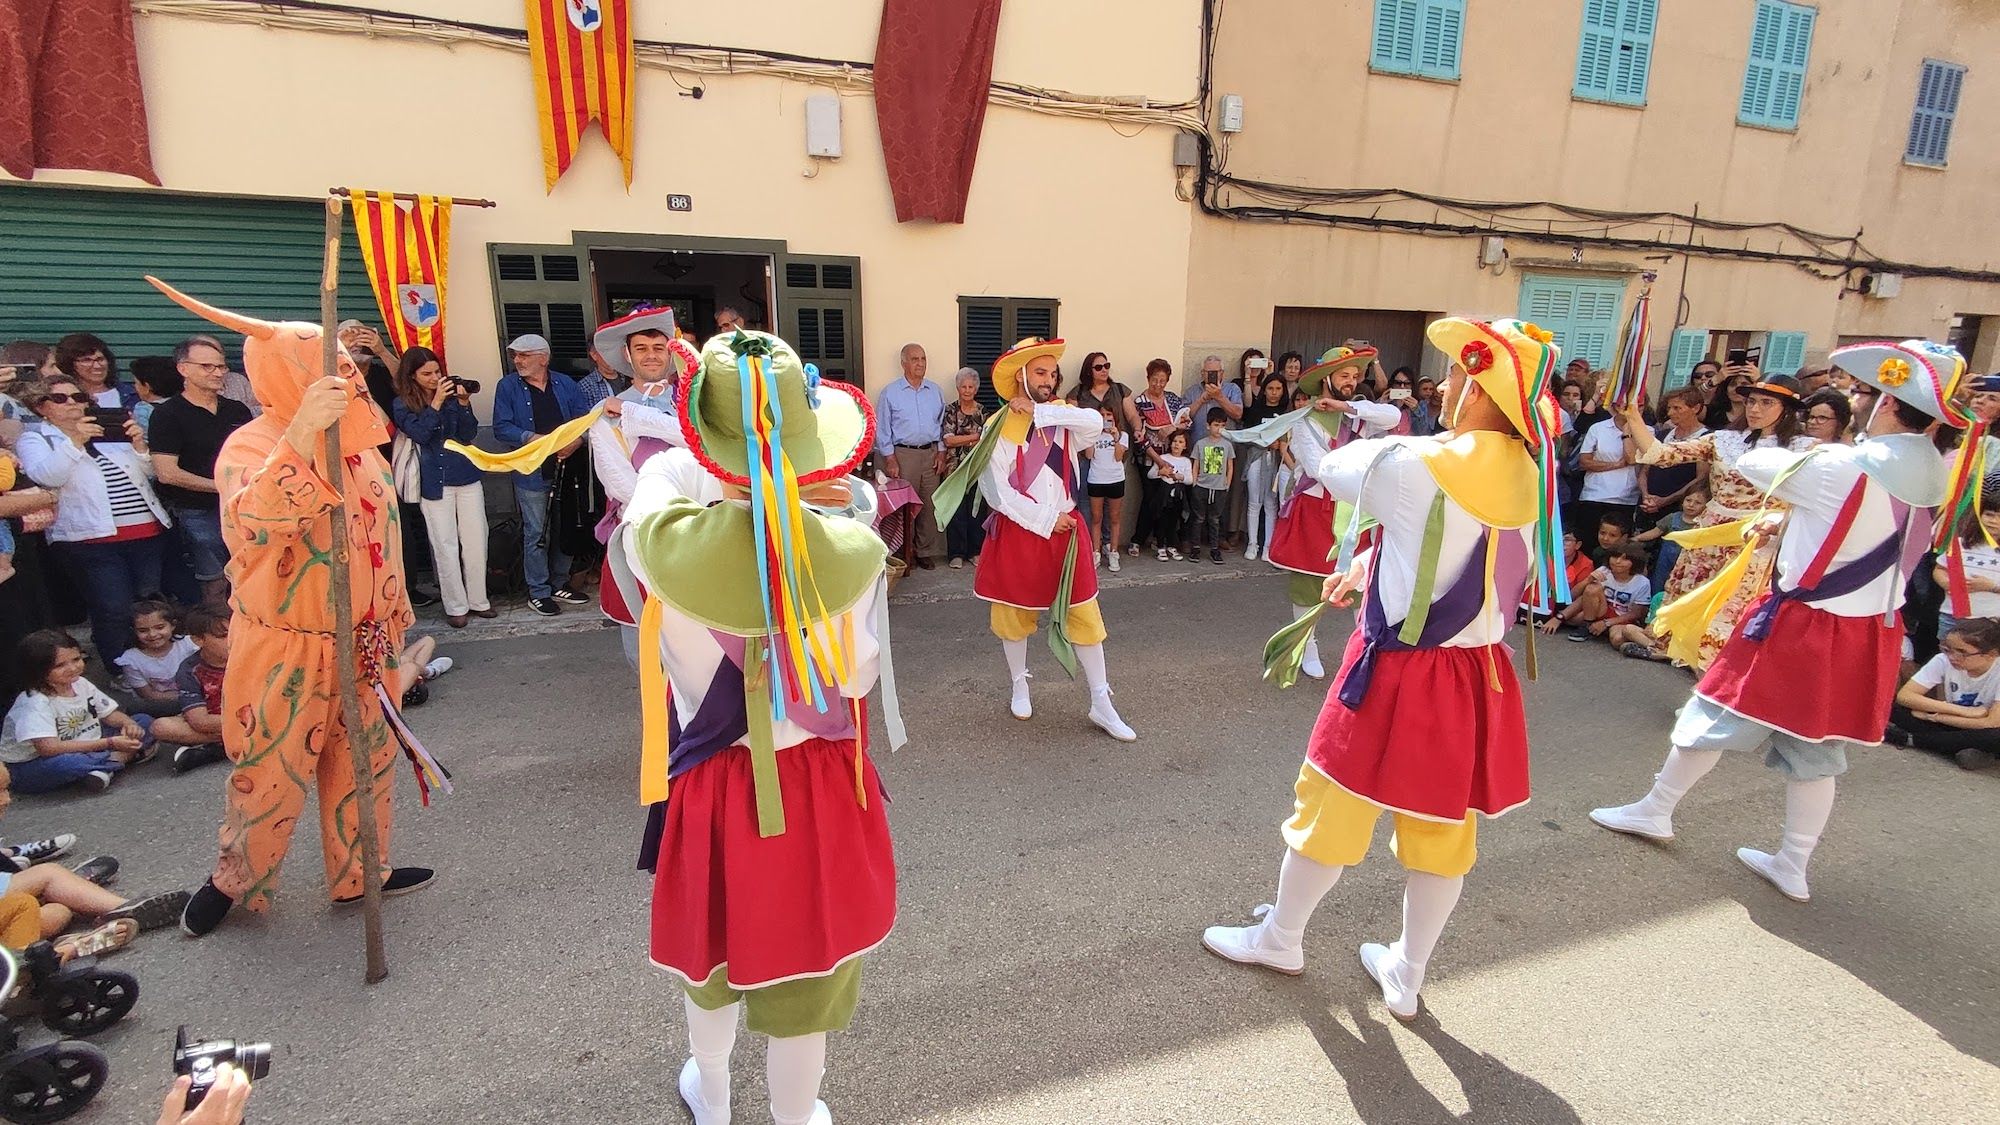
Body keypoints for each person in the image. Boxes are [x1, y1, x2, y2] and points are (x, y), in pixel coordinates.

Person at [1202, 317, 1567, 1021]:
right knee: (1442, 829)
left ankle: (1282, 937)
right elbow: (1475, 554)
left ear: (1481, 388)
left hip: (1399, 671)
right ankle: (1408, 971)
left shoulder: (1413, 464)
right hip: (1476, 676)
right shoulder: (1533, 470)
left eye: (1461, 376)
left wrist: (1313, 417)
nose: (1450, 387)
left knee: (1330, 804)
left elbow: (1330, 469)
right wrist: (1373, 564)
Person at [620, 330, 898, 1125]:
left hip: (711, 785)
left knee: (712, 962)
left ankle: (712, 1098)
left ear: (706, 447)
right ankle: (792, 1115)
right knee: (806, 979)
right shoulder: (849, 552)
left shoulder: (660, 545)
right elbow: (857, 675)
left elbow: (655, 493)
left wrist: (702, 456)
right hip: (814, 784)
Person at [1592, 340, 1964, 903]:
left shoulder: (1839, 465)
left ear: (1887, 405)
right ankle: (1793, 861)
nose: (1858, 400)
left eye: (1865, 393)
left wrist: (1807, 447)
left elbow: (1753, 461)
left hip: (1805, 621)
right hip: (1867, 628)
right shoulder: (1935, 472)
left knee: (1708, 713)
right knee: (1817, 750)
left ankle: (1655, 810)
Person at [139, 277, 434, 937]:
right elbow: (255, 524)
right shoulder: (249, 446)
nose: (345, 380)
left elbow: (382, 544)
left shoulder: (364, 453)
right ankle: (232, 880)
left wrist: (391, 618)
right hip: (288, 643)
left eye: (345, 368)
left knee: (367, 761)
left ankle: (364, 871)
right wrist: (301, 436)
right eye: (324, 369)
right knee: (269, 767)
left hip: (360, 638)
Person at [940, 338, 1135, 741]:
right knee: (1014, 618)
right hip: (1023, 532)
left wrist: (1041, 411)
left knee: (1085, 614)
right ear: (1021, 376)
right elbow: (998, 494)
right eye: (1040, 373)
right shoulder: (996, 426)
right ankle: (1019, 683)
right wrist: (1048, 519)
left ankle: (1102, 701)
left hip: (1067, 533)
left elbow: (1096, 425)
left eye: (1052, 374)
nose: (1048, 380)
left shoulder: (1063, 414)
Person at [1621, 370, 1816, 669]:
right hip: (1709, 537)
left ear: (1787, 409)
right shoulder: (1725, 439)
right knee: (1696, 616)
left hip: (1756, 541)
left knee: (1734, 617)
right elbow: (1661, 454)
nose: (1754, 409)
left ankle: (1719, 694)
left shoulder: (1805, 449)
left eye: (1766, 403)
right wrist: (1633, 416)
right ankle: (1703, 693)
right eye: (1752, 401)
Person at [1266, 347, 1404, 679]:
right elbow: (1320, 469)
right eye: (1344, 375)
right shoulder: (1305, 423)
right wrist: (1365, 462)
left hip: (1354, 508)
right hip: (1315, 509)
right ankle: (1306, 647)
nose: (1351, 381)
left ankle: (1363, 649)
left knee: (1360, 584)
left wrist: (1346, 406)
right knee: (1307, 584)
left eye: (1355, 376)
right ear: (1326, 379)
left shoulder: (1359, 414)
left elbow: (1394, 417)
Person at [16, 377, 171, 666]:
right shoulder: (36, 438)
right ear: (41, 407)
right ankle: (119, 667)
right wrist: (75, 442)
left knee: (149, 604)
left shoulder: (108, 428)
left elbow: (149, 473)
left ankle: (154, 667)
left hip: (145, 531)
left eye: (78, 397)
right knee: (112, 607)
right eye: (61, 398)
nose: (73, 402)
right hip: (88, 539)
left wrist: (138, 444)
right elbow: (47, 477)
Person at [390, 348, 493, 628]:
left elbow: (467, 433)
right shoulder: (402, 403)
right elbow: (421, 434)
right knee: (444, 544)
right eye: (427, 374)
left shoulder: (448, 396)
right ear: (412, 376)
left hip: (466, 473)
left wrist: (462, 404)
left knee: (476, 541)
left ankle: (478, 601)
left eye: (437, 372)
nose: (435, 378)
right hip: (434, 480)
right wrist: (436, 404)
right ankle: (456, 606)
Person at [149, 335, 255, 605]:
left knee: (251, 576)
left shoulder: (237, 410)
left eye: (221, 367)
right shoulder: (167, 414)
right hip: (198, 512)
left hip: (243, 508)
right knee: (214, 583)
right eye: (207, 367)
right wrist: (222, 486)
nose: (218, 373)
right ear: (183, 369)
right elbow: (166, 472)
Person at [492, 333, 592, 615]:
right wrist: (532, 438)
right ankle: (538, 591)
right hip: (533, 470)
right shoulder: (508, 386)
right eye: (515, 355)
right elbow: (501, 427)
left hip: (566, 467)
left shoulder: (565, 383)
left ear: (543, 359)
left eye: (524, 355)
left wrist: (577, 441)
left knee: (565, 526)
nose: (517, 361)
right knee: (537, 531)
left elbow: (584, 419)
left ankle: (559, 582)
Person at [1, 629, 152, 793]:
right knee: (67, 764)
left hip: (84, 741)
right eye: (60, 665)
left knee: (144, 722)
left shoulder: (80, 683)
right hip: (34, 762)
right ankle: (123, 757)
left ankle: (104, 767)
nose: (73, 668)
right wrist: (110, 743)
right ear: (38, 670)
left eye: (76, 659)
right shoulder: (35, 702)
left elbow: (108, 714)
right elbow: (48, 748)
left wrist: (128, 724)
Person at [1888, 617, 2000, 770]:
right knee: (1893, 708)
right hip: (1958, 721)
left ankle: (1911, 739)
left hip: (1981, 728)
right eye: (1948, 650)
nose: (1953, 657)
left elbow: (1992, 722)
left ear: (1991, 654)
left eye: (1962, 652)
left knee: (1994, 736)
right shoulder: (1943, 660)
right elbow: (1905, 696)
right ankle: (1963, 749)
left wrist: (1933, 716)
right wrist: (1965, 711)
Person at [874, 343, 947, 571]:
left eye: (923, 359)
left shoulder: (934, 391)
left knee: (928, 504)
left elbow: (942, 424)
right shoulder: (891, 392)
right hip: (903, 454)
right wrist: (890, 459)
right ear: (903, 363)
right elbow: (882, 428)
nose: (920, 363)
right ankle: (905, 552)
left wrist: (942, 452)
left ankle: (924, 551)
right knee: (905, 508)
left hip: (930, 454)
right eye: (915, 359)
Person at [147, 604, 231, 773]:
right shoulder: (189, 670)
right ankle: (234, 745)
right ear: (198, 640)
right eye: (223, 636)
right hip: (230, 721)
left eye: (236, 632)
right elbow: (200, 721)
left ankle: (217, 749)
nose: (233, 639)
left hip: (258, 715)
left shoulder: (253, 655)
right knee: (160, 727)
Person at [1130, 359, 1190, 555]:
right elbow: (1139, 435)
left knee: (1167, 502)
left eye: (1162, 380)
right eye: (1154, 380)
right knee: (1150, 499)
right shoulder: (1140, 402)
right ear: (1148, 379)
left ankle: (1160, 539)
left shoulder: (1172, 399)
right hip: (1149, 458)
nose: (1158, 384)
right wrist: (1159, 461)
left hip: (1172, 456)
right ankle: (1138, 539)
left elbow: (1186, 421)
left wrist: (1173, 427)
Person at [1539, 544, 1650, 642]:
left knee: (1617, 639)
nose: (1618, 561)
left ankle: (1600, 628)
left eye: (1625, 559)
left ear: (1635, 562)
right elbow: (1573, 596)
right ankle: (1587, 626)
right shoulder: (1604, 571)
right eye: (1615, 556)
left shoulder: (1642, 582)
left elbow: (1636, 614)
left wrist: (1607, 623)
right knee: (1591, 589)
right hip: (1598, 611)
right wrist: (1587, 580)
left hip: (1622, 618)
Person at [1637, 387, 1709, 527]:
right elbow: (1645, 470)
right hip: (1648, 506)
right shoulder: (1662, 435)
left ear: (1695, 408)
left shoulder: (1706, 439)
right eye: (1669, 408)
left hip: (1679, 511)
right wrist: (1646, 495)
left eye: (1677, 408)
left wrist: (1666, 500)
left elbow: (1701, 478)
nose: (1670, 413)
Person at [1572, 408, 1640, 553]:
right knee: (1587, 546)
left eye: (1640, 405)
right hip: (1594, 497)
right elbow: (1584, 462)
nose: (1635, 409)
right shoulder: (1597, 428)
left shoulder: (1647, 432)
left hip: (1625, 500)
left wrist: (1627, 433)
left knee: (1617, 552)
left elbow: (1631, 458)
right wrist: (1616, 465)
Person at [1239, 374, 1291, 561]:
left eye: (1278, 389)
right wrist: (1265, 443)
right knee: (1254, 502)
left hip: (1277, 462)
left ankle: (1269, 546)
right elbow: (1247, 436)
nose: (1274, 393)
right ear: (1264, 390)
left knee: (1271, 503)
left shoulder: (1287, 412)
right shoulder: (1255, 410)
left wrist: (1279, 445)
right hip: (1256, 458)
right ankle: (1252, 543)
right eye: (1270, 388)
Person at [114, 599, 195, 717]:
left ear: (173, 625)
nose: (152, 634)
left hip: (198, 698)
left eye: (160, 627)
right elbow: (149, 695)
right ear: (134, 631)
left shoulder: (189, 644)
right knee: (137, 710)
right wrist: (187, 696)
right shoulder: (131, 660)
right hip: (162, 705)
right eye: (143, 630)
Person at [1930, 504, 2000, 641]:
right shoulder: (1960, 543)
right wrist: (1947, 583)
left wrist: (1991, 586)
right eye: (1989, 515)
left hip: (1992, 620)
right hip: (1952, 615)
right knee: (1949, 656)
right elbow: (1939, 569)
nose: (1994, 521)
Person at [1084, 407, 1130, 572]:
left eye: (1108, 415)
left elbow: (1118, 456)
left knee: (1115, 518)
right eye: (1102, 415)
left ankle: (1113, 552)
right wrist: (1092, 434)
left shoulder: (1123, 435)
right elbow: (1089, 456)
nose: (1105, 418)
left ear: (1114, 417)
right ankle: (1096, 551)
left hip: (1115, 480)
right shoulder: (1093, 434)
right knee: (1096, 518)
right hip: (1096, 479)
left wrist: (1115, 437)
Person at [1188, 413, 1235, 563]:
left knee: (1215, 519)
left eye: (1222, 425)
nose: (1219, 428)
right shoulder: (1201, 444)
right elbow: (1196, 464)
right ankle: (1195, 548)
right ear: (1208, 426)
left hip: (1219, 488)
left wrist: (1227, 483)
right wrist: (1195, 482)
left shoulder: (1227, 445)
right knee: (1199, 518)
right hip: (1201, 486)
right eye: (1216, 425)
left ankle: (1215, 549)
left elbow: (1230, 466)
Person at [52, 333, 136, 410]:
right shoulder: (62, 399)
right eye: (87, 360)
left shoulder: (132, 394)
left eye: (100, 359)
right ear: (69, 364)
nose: (97, 366)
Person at [1146, 431, 1193, 561]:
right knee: (1162, 521)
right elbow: (1150, 474)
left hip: (1178, 496)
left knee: (1174, 522)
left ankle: (1171, 546)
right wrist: (1160, 472)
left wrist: (1179, 476)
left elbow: (1190, 480)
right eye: (1174, 441)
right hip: (1163, 496)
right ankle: (1161, 547)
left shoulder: (1186, 461)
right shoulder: (1163, 457)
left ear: (1185, 446)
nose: (1176, 444)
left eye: (1180, 442)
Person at [1186, 354, 1245, 436]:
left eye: (1215, 372)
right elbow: (1184, 417)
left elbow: (1238, 414)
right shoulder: (1192, 391)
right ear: (1202, 373)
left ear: (1222, 373)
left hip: (1225, 444)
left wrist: (1219, 396)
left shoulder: (1232, 389)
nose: (1212, 375)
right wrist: (1201, 400)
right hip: (1199, 444)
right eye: (1209, 372)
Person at [128, 356, 181, 436]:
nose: (134, 387)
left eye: (136, 383)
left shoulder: (143, 409)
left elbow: (143, 438)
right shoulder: (185, 406)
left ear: (147, 387)